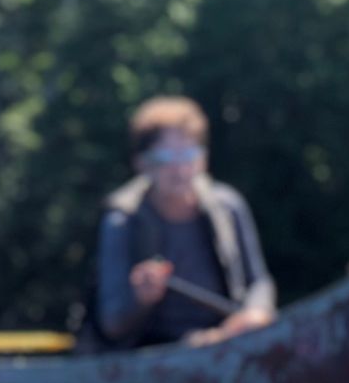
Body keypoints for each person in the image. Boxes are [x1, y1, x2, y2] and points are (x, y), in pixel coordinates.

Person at [91, 96, 275, 349]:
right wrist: (140, 298)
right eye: (166, 157)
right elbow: (112, 323)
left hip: (229, 341)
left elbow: (259, 282)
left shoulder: (228, 206)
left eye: (189, 155)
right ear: (142, 163)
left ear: (204, 159)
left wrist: (256, 313)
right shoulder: (122, 221)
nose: (180, 169)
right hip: (156, 357)